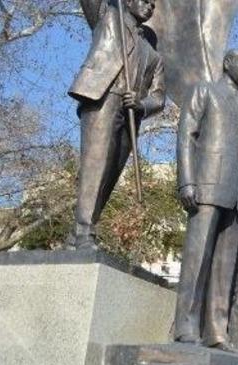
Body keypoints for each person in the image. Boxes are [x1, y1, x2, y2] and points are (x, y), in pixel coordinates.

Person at [172, 49, 238, 350]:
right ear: (228, 64)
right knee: (197, 260)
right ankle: (186, 325)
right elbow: (186, 136)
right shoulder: (205, 90)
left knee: (225, 268)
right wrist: (186, 180)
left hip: (237, 198)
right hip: (207, 187)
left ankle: (216, 331)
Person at [67, 0, 165, 249]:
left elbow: (159, 97)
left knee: (110, 173)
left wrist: (142, 104)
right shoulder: (109, 15)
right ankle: (84, 231)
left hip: (132, 113)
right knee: (96, 166)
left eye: (153, 5)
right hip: (104, 98)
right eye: (145, 1)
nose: (149, 6)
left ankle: (79, 232)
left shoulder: (154, 55)